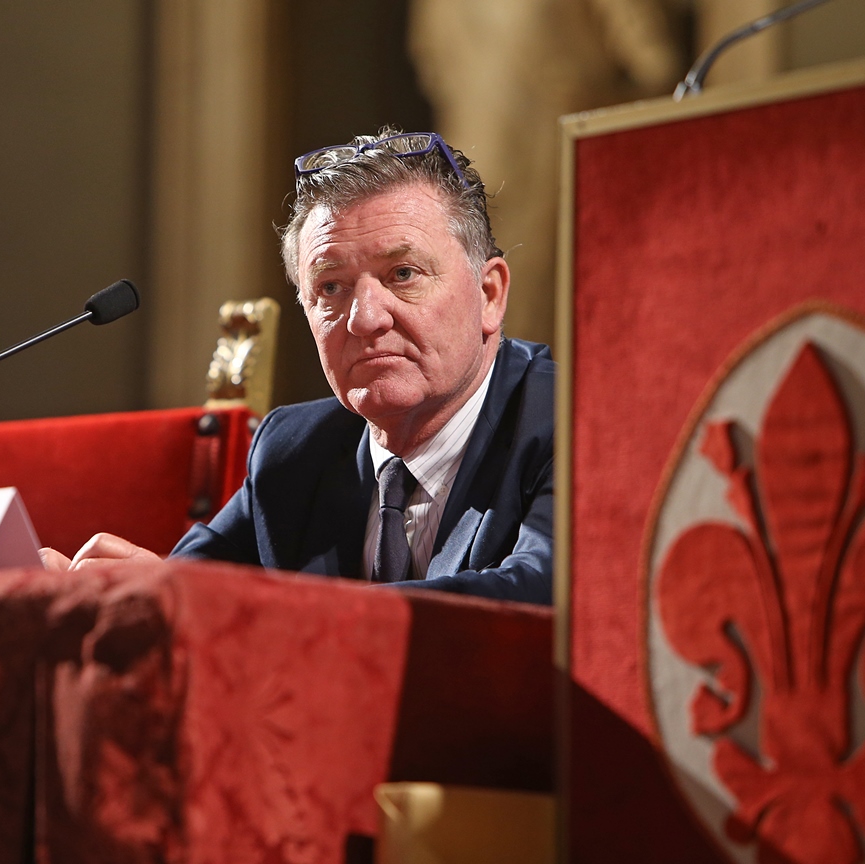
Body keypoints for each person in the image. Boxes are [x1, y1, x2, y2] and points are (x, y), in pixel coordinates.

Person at [41, 129, 553, 605]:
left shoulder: (568, 424)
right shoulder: (294, 452)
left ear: (489, 295)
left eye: (402, 274)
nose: (365, 318)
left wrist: (241, 607)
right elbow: (189, 593)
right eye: (330, 287)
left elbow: (536, 597)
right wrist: (107, 592)